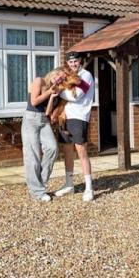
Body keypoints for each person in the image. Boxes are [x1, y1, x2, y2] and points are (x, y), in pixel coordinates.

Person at [49, 51, 97, 202]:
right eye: (70, 62)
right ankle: (69, 185)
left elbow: (76, 96)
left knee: (81, 152)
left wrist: (58, 92)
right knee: (67, 151)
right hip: (66, 117)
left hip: (79, 117)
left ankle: (89, 188)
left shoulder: (86, 75)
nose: (73, 64)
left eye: (75, 61)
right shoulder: (68, 75)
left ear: (80, 61)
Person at [21, 68, 66, 202]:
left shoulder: (55, 89)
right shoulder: (39, 81)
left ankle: (40, 182)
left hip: (43, 120)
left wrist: (52, 97)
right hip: (31, 119)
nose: (59, 78)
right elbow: (34, 102)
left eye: (62, 78)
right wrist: (49, 92)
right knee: (33, 156)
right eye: (58, 75)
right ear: (53, 72)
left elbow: (47, 112)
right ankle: (37, 192)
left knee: (52, 148)